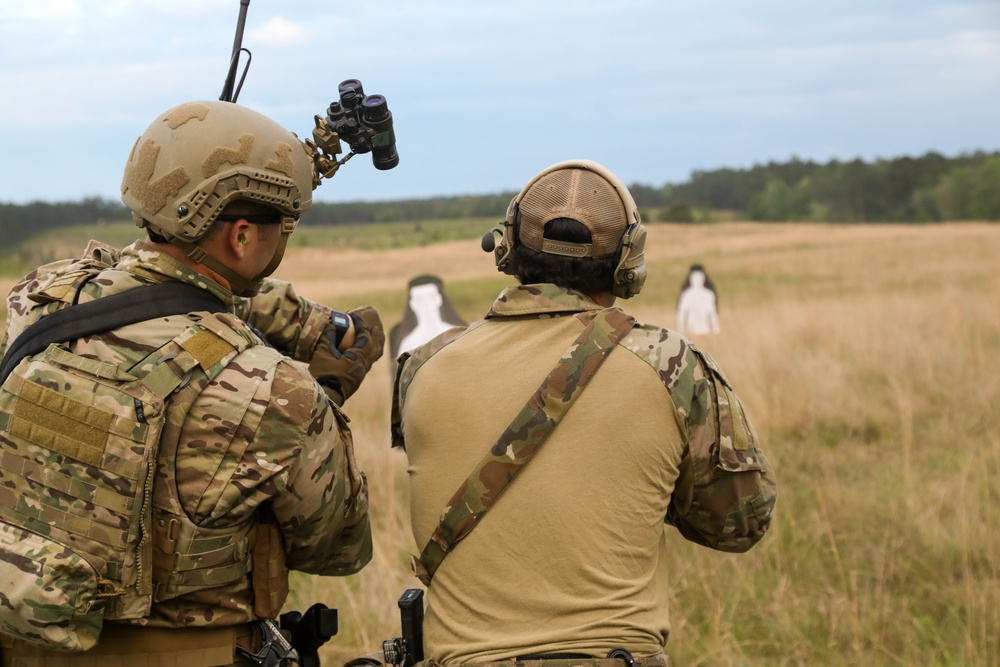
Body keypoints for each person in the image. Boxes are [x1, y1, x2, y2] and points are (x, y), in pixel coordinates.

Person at [0, 100, 384, 665]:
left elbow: (155, 281)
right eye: (284, 226)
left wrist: (303, 322)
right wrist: (328, 393)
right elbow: (339, 546)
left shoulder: (38, 300)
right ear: (244, 237)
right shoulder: (274, 393)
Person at [392, 160, 776, 666]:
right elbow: (740, 523)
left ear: (507, 246)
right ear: (627, 260)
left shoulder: (422, 366)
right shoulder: (670, 365)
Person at [390, 274, 467, 359]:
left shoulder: (457, 334)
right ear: (413, 304)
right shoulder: (409, 343)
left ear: (439, 299)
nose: (426, 303)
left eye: (430, 297)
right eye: (420, 299)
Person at [675, 263, 720, 335]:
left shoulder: (709, 295)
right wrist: (680, 331)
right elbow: (681, 314)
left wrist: (716, 330)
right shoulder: (686, 295)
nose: (697, 280)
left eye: (699, 277)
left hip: (705, 331)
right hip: (691, 331)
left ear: (703, 278)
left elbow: (713, 314)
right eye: (695, 277)